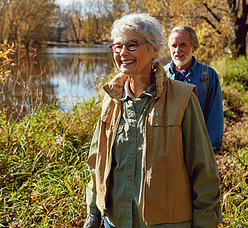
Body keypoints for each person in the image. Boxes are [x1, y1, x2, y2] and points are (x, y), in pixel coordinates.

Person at [83, 13, 222, 228]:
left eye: (131, 45)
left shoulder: (183, 98)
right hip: (116, 221)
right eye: (117, 46)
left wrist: (205, 222)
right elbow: (97, 160)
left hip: (167, 223)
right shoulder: (111, 98)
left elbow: (204, 169)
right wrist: (93, 210)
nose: (122, 53)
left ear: (154, 49)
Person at [164, 26, 224, 150]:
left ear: (194, 47)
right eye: (174, 45)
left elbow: (215, 114)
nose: (177, 50)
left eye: (183, 45)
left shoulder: (208, 75)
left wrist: (209, 148)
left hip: (197, 147)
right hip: (168, 148)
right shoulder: (160, 75)